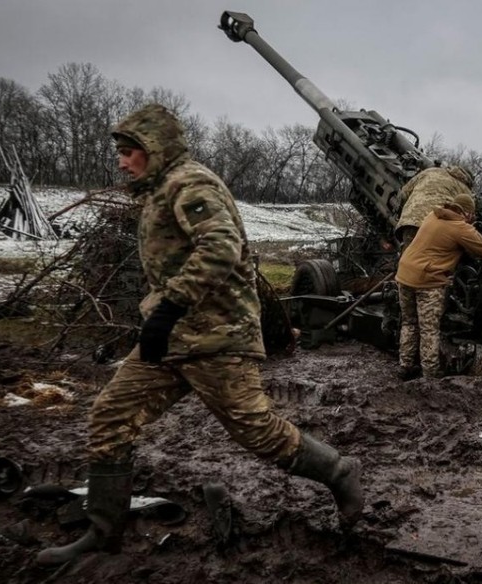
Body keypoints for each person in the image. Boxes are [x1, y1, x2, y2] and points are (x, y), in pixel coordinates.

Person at [37, 104, 363, 565]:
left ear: (155, 150)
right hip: (172, 339)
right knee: (109, 417)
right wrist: (164, 319)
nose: (121, 160)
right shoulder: (157, 190)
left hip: (217, 338)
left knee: (257, 431)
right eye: (121, 152)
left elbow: (222, 246)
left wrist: (168, 307)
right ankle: (103, 533)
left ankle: (339, 472)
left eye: (130, 151)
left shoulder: (190, 183)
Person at [395, 193, 482, 380]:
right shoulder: (461, 228)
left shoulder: (433, 215)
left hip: (404, 274)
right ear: (468, 213)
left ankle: (405, 366)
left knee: (409, 323)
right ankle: (430, 375)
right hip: (427, 281)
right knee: (429, 330)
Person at [395, 165, 474, 249]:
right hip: (435, 228)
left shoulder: (431, 171)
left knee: (409, 255)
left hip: (411, 221)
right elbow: (467, 216)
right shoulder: (466, 191)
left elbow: (403, 194)